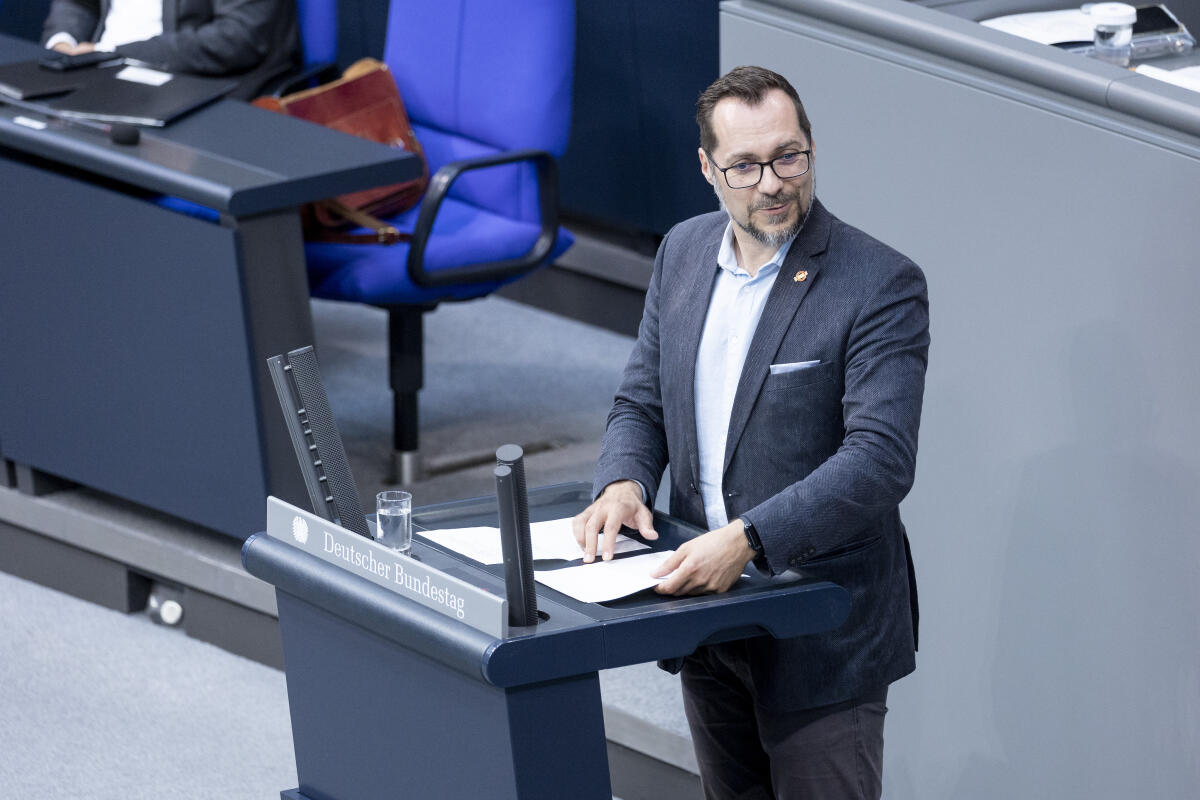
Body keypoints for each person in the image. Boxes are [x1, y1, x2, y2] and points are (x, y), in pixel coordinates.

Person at [573, 65, 929, 799]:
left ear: (811, 149)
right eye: (744, 165)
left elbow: (879, 461)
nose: (771, 182)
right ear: (708, 169)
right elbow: (642, 401)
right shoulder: (681, 253)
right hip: (706, 617)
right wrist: (623, 480)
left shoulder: (880, 283)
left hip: (821, 632)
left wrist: (748, 540)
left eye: (788, 156)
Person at [41, 0, 300, 99]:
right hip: (92, 69)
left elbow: (238, 38)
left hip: (188, 79)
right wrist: (62, 42)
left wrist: (109, 53)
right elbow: (77, 4)